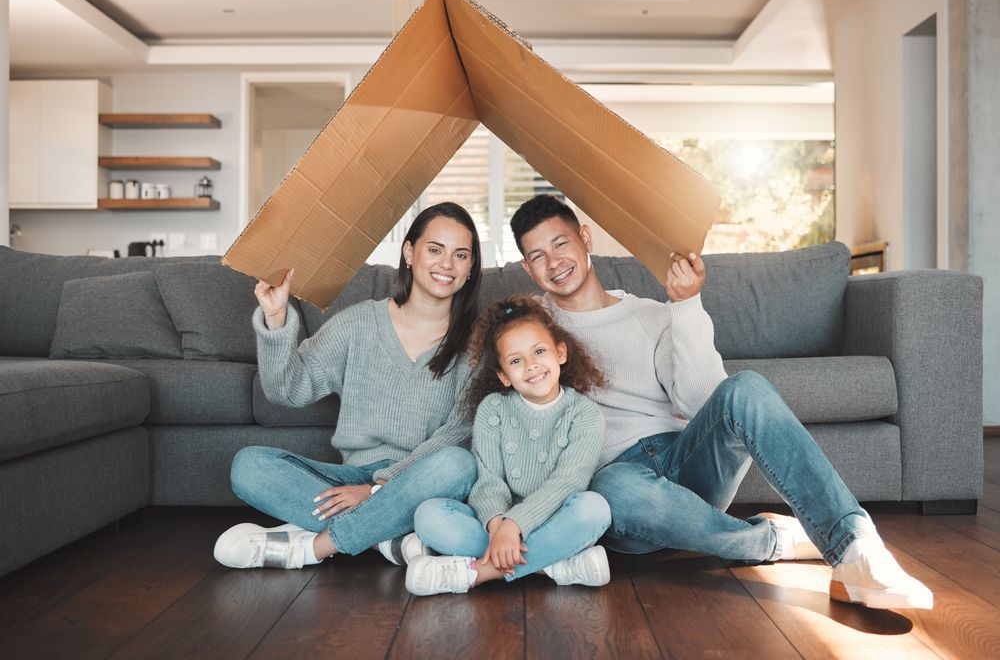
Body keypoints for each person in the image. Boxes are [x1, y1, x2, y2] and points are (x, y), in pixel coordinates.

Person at [506, 193, 933, 610]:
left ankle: (854, 547)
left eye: (560, 244)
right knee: (612, 489)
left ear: (585, 238)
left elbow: (700, 402)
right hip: (619, 487)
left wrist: (685, 304)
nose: (554, 262)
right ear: (527, 268)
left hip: (686, 458)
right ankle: (772, 540)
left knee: (745, 386)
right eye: (538, 256)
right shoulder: (532, 334)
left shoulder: (650, 315)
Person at [213, 202, 481, 570]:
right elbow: (288, 390)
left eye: (460, 255)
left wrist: (377, 490)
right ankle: (387, 539)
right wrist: (276, 318)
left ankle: (314, 546)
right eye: (435, 249)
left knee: (458, 465)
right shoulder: (357, 323)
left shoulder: (478, 343)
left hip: (421, 480)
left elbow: (459, 433)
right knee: (249, 466)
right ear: (409, 253)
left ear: (470, 269)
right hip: (352, 475)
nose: (446, 264)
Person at [405, 295, 612, 596]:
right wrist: (498, 527)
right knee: (428, 514)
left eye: (539, 351)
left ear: (561, 353)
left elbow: (569, 482)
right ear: (504, 376)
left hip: (553, 519)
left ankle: (479, 573)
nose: (531, 366)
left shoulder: (584, 413)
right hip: (496, 525)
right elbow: (488, 482)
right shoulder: (493, 409)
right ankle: (553, 566)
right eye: (516, 360)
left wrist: (515, 526)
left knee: (595, 510)